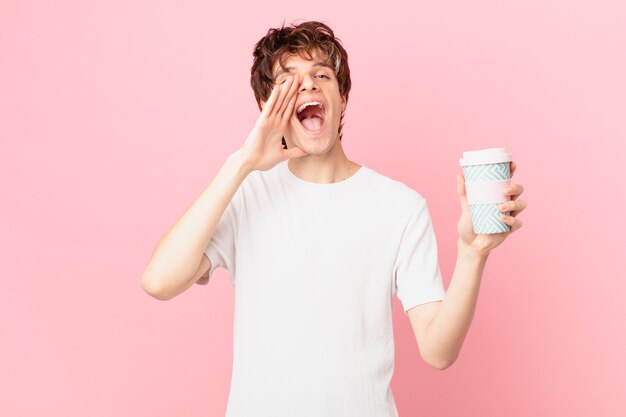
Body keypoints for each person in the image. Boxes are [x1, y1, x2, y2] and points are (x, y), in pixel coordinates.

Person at [141, 20, 527, 417]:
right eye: (288, 80)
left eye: (321, 75)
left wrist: (472, 252)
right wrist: (242, 163)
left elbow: (438, 351)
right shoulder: (245, 195)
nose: (307, 85)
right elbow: (159, 281)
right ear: (266, 107)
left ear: (341, 95)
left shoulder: (399, 206)